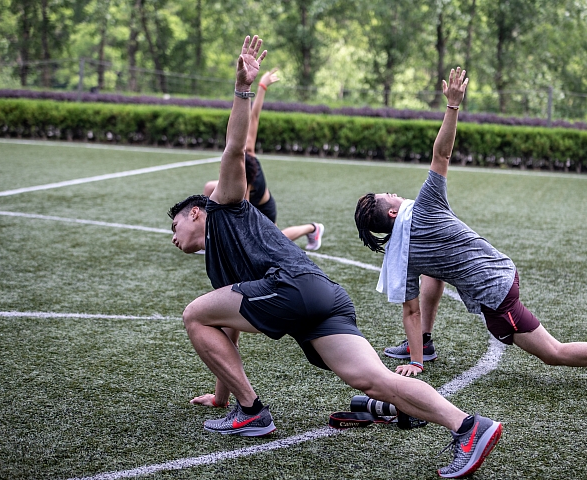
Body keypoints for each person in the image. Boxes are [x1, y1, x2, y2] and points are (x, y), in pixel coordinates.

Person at [169, 35, 502, 478]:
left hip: (292, 288)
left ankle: (253, 413)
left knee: (194, 314)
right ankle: (469, 426)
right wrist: (221, 396)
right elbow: (227, 329)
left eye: (175, 226)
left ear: (195, 212)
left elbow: (234, 150)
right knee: (375, 380)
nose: (173, 236)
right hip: (323, 298)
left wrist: (243, 90)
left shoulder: (224, 206)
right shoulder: (220, 263)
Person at [354, 68, 587, 393]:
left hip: (496, 292)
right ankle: (425, 345)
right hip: (499, 271)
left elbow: (410, 310)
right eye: (388, 195)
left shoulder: (402, 253)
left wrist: (414, 363)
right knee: (433, 272)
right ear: (392, 212)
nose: (393, 192)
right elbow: (442, 154)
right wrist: (453, 106)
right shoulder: (424, 208)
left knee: (553, 353)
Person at [203, 68, 324, 251]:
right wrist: (261, 86)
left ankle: (313, 228)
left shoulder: (245, 184)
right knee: (210, 187)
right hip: (248, 195)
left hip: (263, 210)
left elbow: (242, 217)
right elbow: (254, 117)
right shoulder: (247, 150)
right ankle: (206, 235)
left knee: (267, 243)